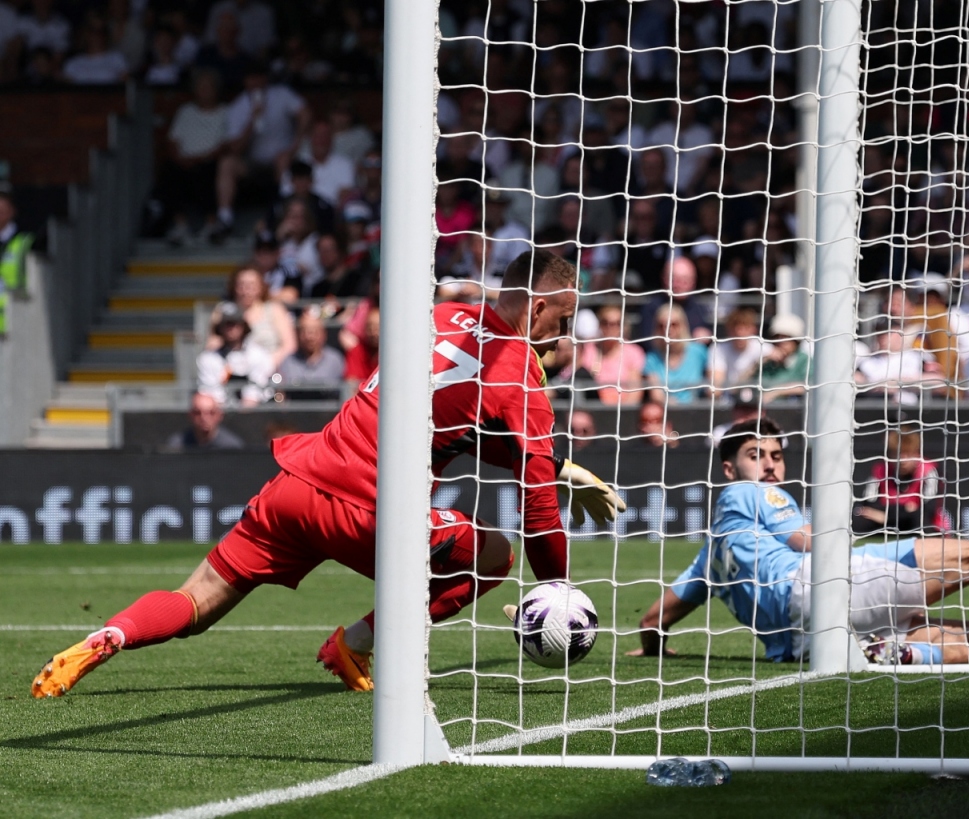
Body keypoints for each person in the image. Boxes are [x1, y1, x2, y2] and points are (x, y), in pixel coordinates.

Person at [30, 249, 626, 698]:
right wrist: (558, 588)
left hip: (295, 483)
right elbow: (539, 503)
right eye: (563, 320)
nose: (563, 336)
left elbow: (450, 420)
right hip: (368, 509)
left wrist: (559, 464)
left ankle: (108, 638)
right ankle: (354, 645)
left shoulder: (443, 314)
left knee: (195, 601)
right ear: (540, 306)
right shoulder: (517, 371)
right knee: (497, 553)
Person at [629, 418, 969, 665]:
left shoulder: (708, 555)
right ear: (730, 468)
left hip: (804, 643)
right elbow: (805, 540)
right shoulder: (748, 495)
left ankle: (896, 653)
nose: (769, 465)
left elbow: (653, 620)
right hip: (821, 584)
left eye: (775, 456)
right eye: (755, 455)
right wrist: (849, 524)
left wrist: (655, 648)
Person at [213, 62, 309, 242]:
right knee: (227, 163)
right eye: (251, 78)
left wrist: (295, 145)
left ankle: (284, 211)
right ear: (245, 81)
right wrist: (252, 119)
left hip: (283, 159)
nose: (255, 82)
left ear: (265, 78)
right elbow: (235, 148)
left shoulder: (281, 94)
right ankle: (224, 217)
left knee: (283, 159)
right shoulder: (239, 106)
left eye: (259, 77)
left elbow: (305, 114)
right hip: (253, 164)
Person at [159, 69, 227, 245]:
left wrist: (198, 159)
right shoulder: (186, 111)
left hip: (209, 162)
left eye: (208, 87)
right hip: (183, 162)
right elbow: (172, 142)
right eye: (200, 87)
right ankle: (180, 226)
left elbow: (225, 145)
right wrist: (180, 159)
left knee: (207, 171)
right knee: (168, 171)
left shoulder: (225, 112)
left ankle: (211, 224)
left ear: (216, 90)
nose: (204, 90)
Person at [853, 422, 952, 536]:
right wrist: (906, 509)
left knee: (920, 521)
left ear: (917, 453)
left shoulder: (929, 470)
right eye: (898, 454)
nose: (903, 461)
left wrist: (887, 516)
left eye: (908, 455)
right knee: (857, 520)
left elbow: (928, 509)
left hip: (915, 523)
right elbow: (868, 504)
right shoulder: (881, 470)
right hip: (884, 523)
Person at [209, 268, 296, 371]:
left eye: (251, 285)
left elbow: (290, 345)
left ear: (261, 286)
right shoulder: (223, 310)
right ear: (234, 286)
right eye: (242, 284)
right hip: (231, 370)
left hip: (271, 371)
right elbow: (213, 344)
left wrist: (267, 364)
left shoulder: (274, 309)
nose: (246, 290)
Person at [196, 302, 276, 406]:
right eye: (227, 324)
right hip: (221, 413)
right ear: (220, 328)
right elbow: (210, 391)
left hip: (256, 412)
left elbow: (258, 388)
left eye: (235, 323)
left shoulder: (259, 355)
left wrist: (245, 410)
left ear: (244, 326)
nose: (231, 328)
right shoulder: (208, 358)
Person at [576, 303, 645, 405]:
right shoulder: (588, 349)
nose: (610, 327)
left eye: (616, 323)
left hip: (623, 410)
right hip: (592, 407)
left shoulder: (634, 352)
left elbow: (634, 391)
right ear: (599, 324)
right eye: (605, 323)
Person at [643, 303, 709, 405]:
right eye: (662, 326)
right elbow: (656, 395)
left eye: (673, 324)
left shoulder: (699, 352)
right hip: (666, 412)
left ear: (683, 326)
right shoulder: (652, 358)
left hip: (697, 411)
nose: (668, 330)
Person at [275, 308, 345, 397]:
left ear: (324, 334)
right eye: (305, 331)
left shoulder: (335, 361)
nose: (310, 337)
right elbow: (281, 395)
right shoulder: (288, 361)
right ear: (298, 334)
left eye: (314, 331)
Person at [162, 392, 245, 451]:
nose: (204, 418)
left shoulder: (232, 448)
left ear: (219, 415)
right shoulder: (177, 445)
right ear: (190, 415)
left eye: (211, 413)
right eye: (198, 413)